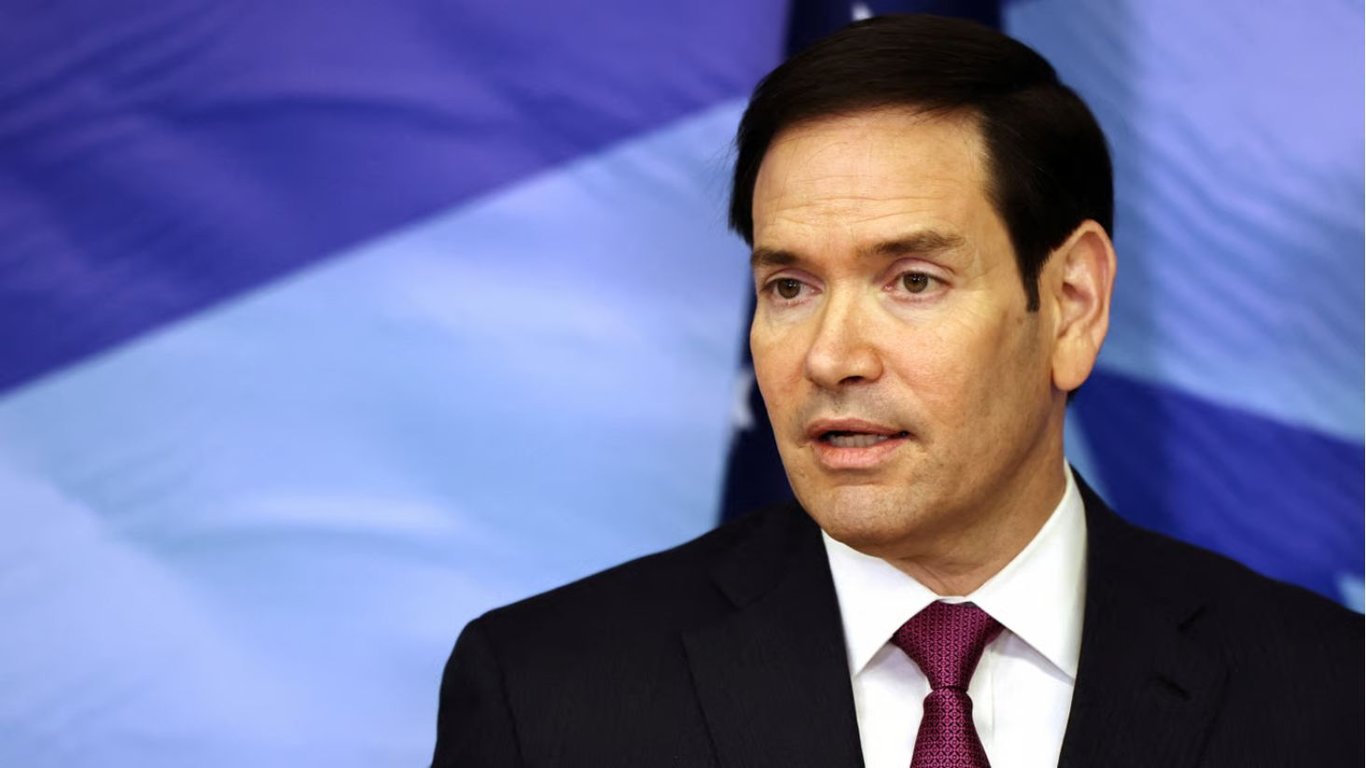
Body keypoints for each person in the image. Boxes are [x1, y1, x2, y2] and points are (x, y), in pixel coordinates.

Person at [431, 15, 1362, 768]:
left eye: (913, 280)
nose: (831, 357)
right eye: (789, 287)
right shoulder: (547, 695)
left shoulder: (1328, 697)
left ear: (1071, 305)